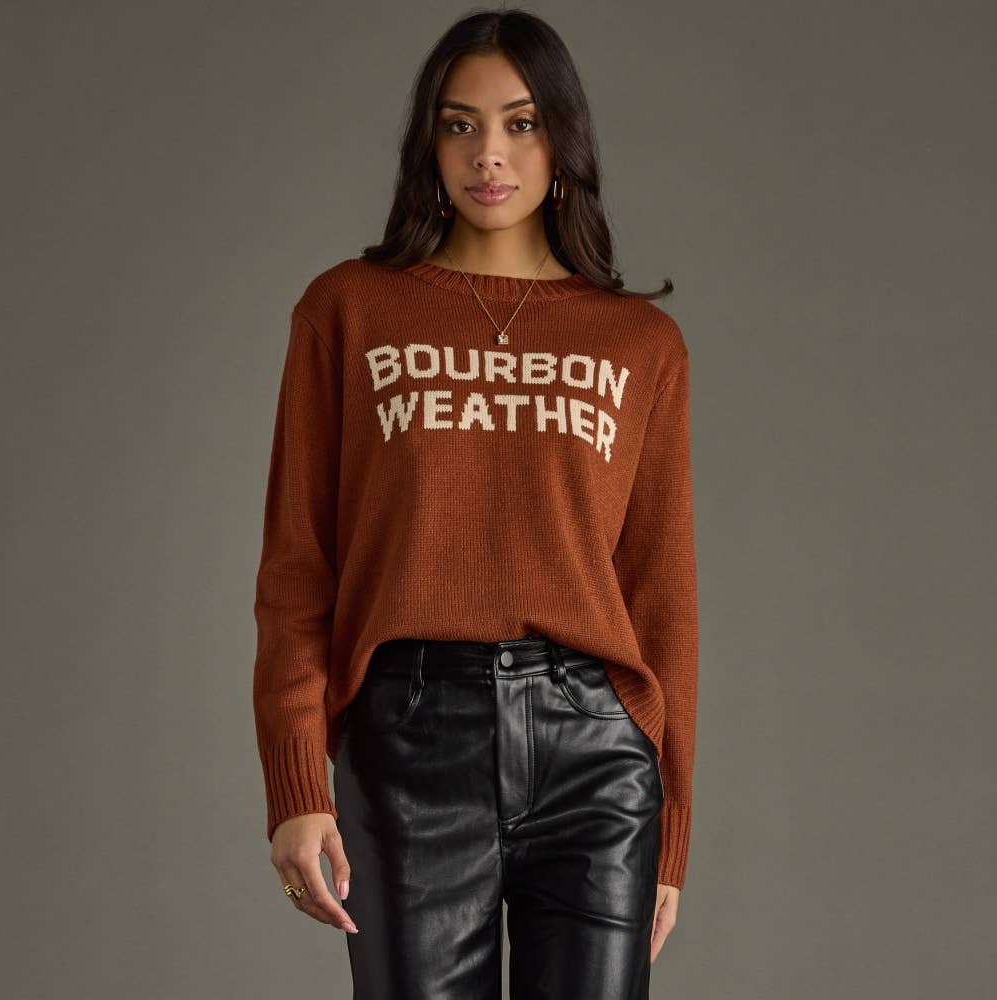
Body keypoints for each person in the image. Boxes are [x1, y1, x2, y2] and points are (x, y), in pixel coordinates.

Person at [252, 8, 699, 998]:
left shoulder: (639, 344)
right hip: (408, 739)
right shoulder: (348, 310)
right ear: (429, 143)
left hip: (597, 752)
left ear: (563, 141)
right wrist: (295, 782)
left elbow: (661, 596)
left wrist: (670, 830)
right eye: (459, 125)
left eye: (521, 123)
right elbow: (297, 566)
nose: (488, 154)